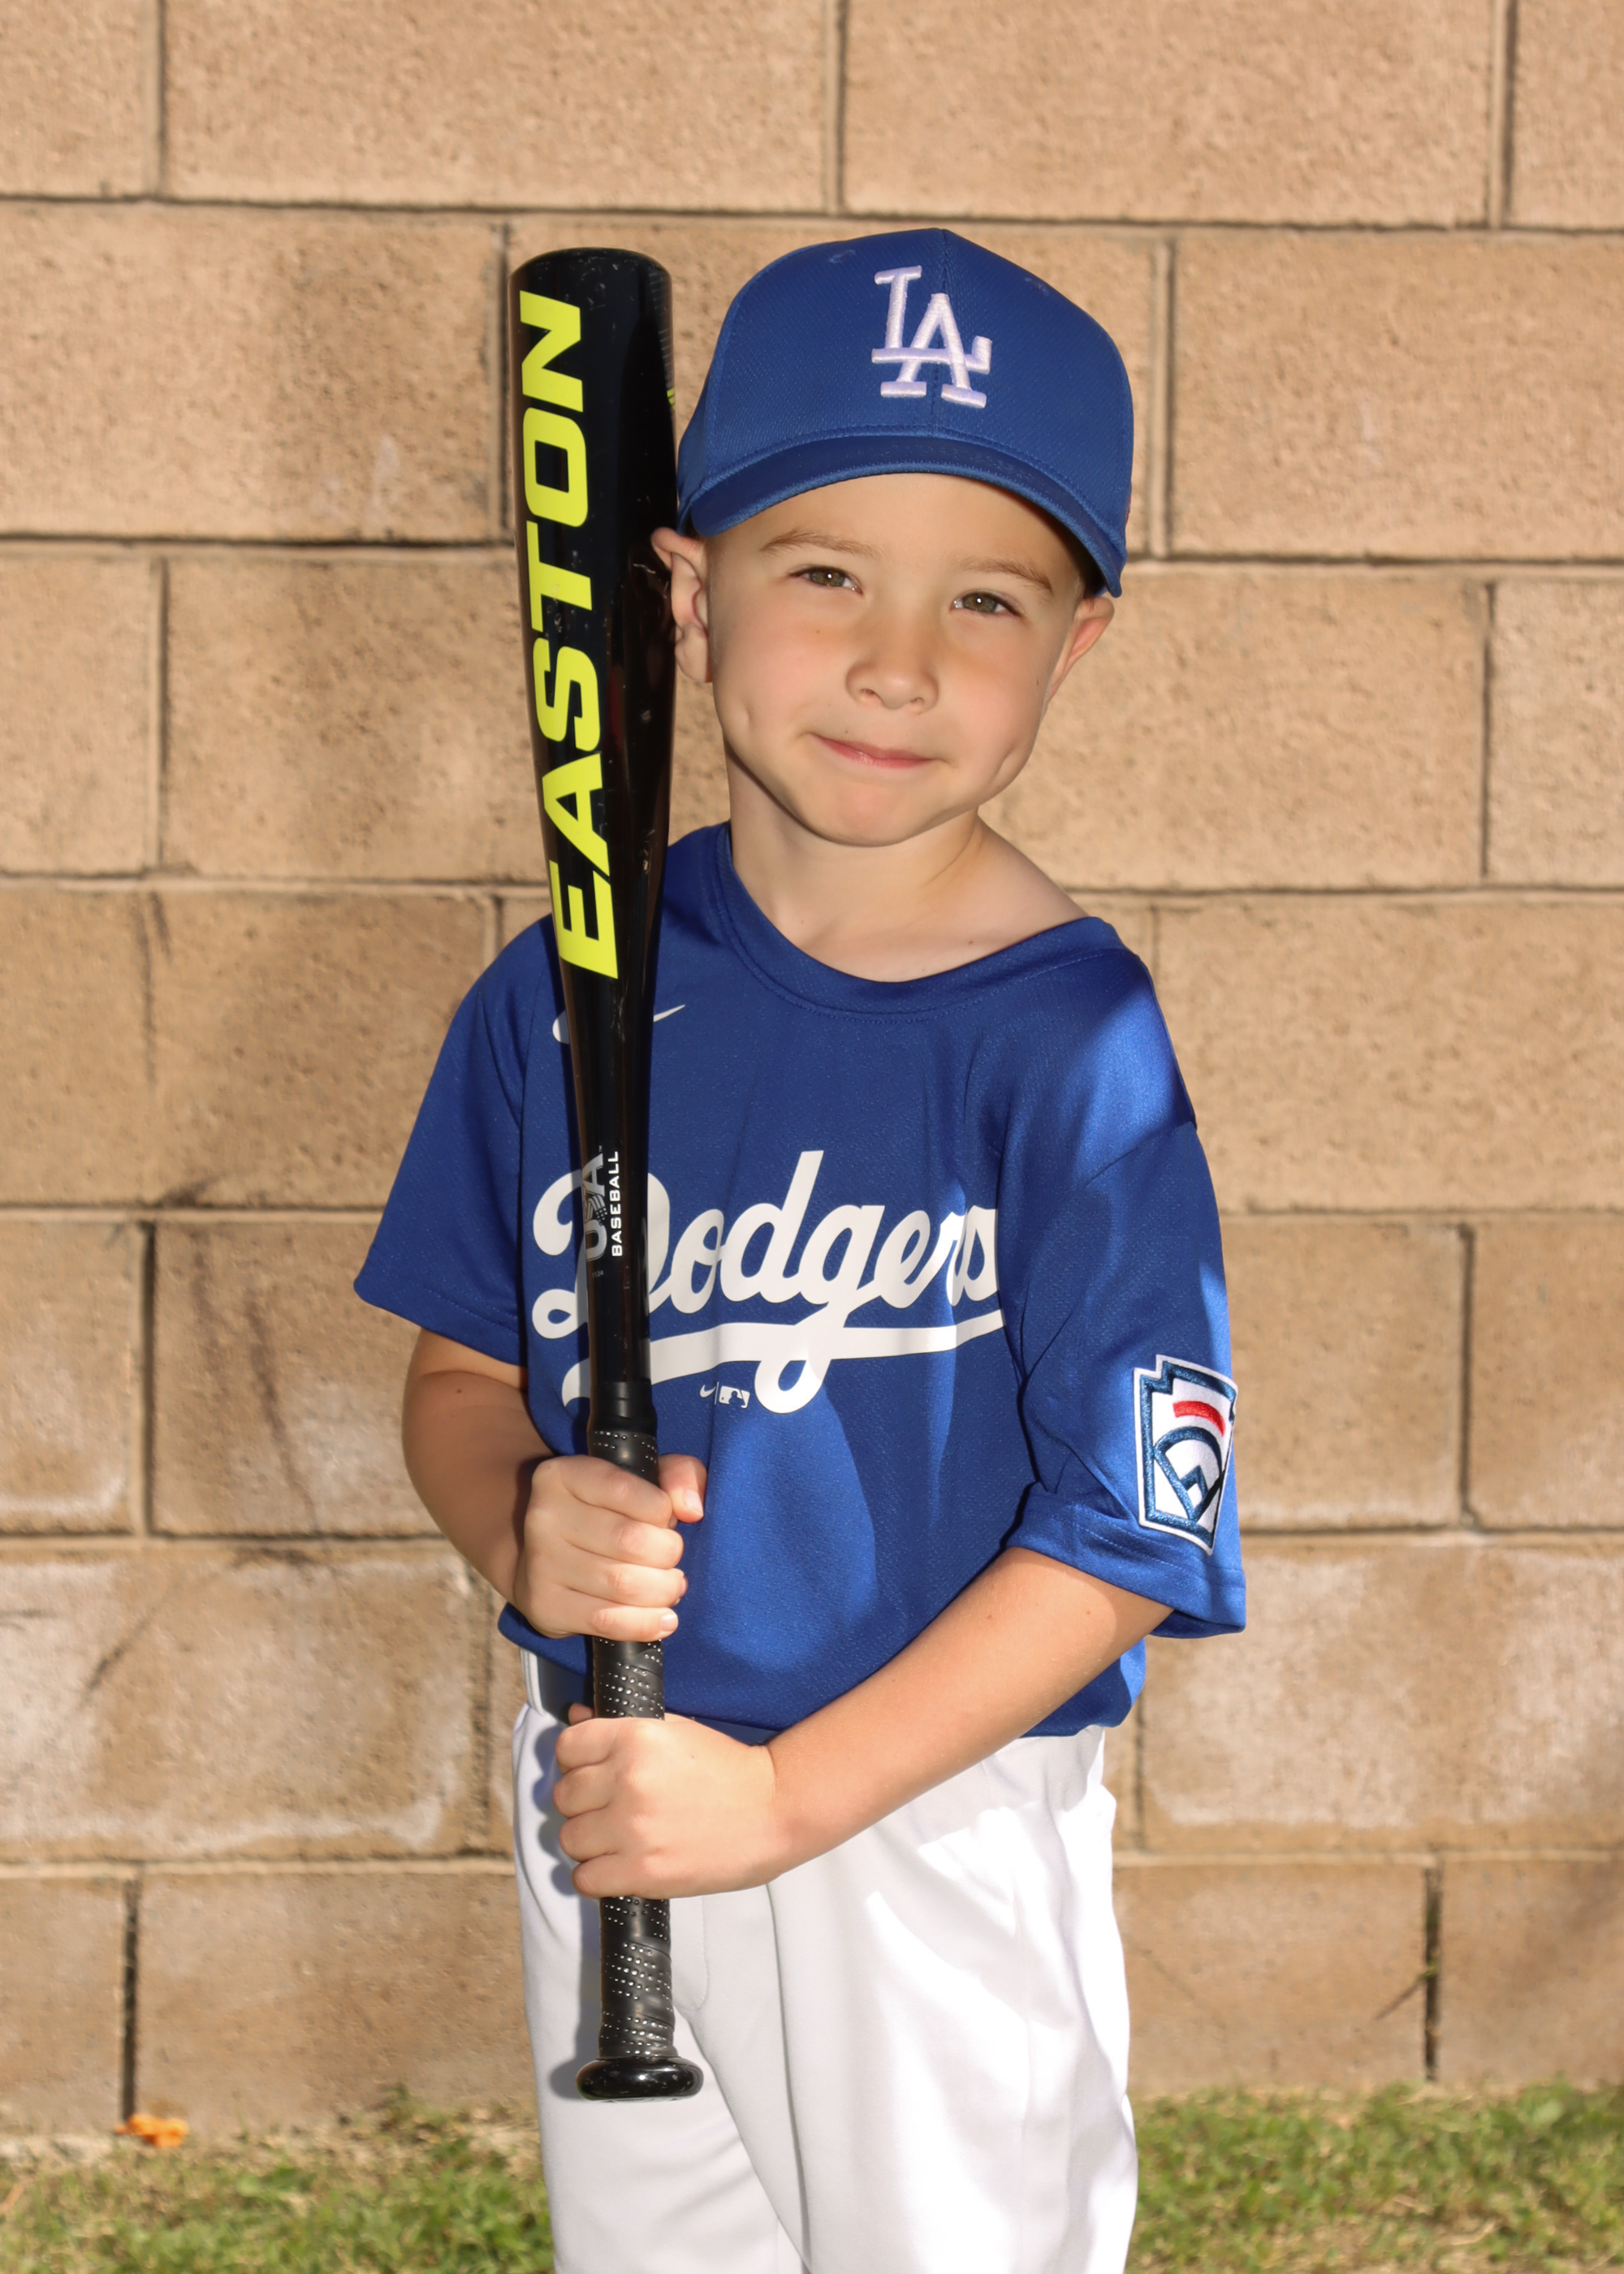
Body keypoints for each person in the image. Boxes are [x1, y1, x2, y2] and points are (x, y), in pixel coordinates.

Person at [356, 227, 1244, 2274]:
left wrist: (782, 1803)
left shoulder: (1072, 1041)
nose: (897, 661)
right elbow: (462, 1374)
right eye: (826, 569)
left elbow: (1128, 1537)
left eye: (985, 597)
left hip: (923, 1827)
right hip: (615, 1780)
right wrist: (519, 1527)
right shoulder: (559, 994)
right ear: (684, 594)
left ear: (1077, 645)